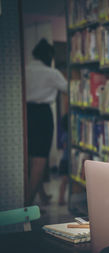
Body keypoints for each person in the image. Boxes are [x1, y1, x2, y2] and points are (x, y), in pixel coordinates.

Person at [25, 38, 67, 206]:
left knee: (30, 157)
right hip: (42, 115)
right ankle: (27, 204)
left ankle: (40, 195)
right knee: (40, 158)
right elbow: (67, 88)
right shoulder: (51, 73)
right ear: (49, 56)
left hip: (26, 112)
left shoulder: (24, 69)